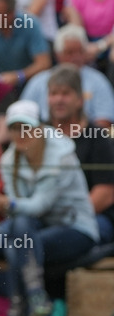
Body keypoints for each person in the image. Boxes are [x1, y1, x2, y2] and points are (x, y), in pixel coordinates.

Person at [0, 100, 99, 316]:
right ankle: (35, 298)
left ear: (40, 128)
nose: (21, 134)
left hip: (76, 228)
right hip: (33, 229)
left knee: (19, 244)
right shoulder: (8, 160)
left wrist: (6, 203)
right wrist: (2, 206)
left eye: (27, 127)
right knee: (19, 235)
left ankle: (16, 314)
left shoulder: (61, 155)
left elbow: (39, 205)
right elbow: (22, 212)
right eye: (15, 128)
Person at [47, 66, 114, 241]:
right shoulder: (39, 135)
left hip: (92, 216)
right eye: (54, 93)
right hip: (46, 214)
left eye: (65, 93)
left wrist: (70, 218)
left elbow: (105, 192)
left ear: (79, 100)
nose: (59, 100)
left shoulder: (97, 136)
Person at [20, 25, 114, 127]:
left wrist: (84, 137)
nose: (76, 57)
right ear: (57, 55)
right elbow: (22, 115)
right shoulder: (38, 82)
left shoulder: (98, 81)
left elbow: (105, 119)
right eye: (70, 53)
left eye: (80, 52)